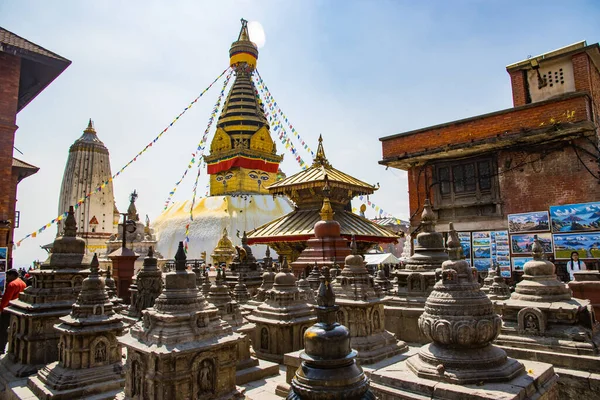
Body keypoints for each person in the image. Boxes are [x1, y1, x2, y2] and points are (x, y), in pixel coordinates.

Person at [0, 269, 27, 353]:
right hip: (18, 310)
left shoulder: (12, 284)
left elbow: (6, 299)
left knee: (3, 330)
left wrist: (1, 309)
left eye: (8, 276)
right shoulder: (23, 283)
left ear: (12, 275)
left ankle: (1, 348)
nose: (7, 278)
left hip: (8, 311)